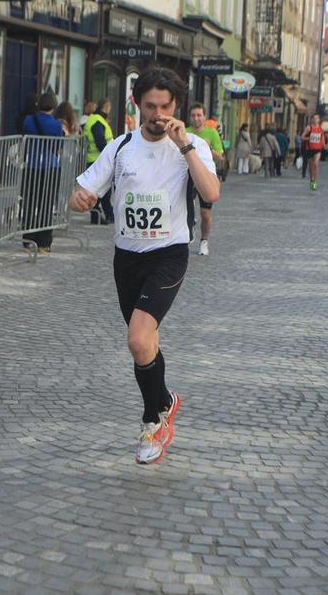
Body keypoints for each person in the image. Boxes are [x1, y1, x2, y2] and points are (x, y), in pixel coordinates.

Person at [69, 68, 219, 465]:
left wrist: (185, 146)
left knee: (137, 338)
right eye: (150, 106)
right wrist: (80, 200)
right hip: (127, 258)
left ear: (176, 106)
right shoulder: (120, 147)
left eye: (164, 107)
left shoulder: (194, 146)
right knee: (145, 343)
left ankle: (152, 422)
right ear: (137, 104)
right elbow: (82, 193)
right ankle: (165, 400)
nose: (157, 114)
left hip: (169, 254)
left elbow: (211, 192)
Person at [21, 92, 65, 253]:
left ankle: (28, 239)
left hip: (32, 166)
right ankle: (44, 242)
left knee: (30, 202)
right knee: (47, 203)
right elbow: (58, 146)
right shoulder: (56, 125)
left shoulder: (29, 120)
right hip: (50, 167)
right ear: (53, 106)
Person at [185, 103, 224, 256]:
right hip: (188, 176)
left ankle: (204, 241)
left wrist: (208, 148)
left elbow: (220, 156)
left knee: (205, 213)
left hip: (206, 176)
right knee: (184, 207)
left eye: (199, 115)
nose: (196, 118)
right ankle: (189, 227)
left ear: (204, 117)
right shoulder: (185, 132)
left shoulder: (212, 133)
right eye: (193, 115)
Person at [85, 98, 115, 224]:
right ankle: (98, 215)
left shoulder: (97, 119)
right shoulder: (97, 121)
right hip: (98, 160)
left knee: (103, 189)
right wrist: (109, 155)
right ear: (107, 107)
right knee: (100, 190)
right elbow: (100, 142)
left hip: (98, 159)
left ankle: (107, 214)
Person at [300, 114, 325, 190]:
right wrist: (309, 138)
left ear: (319, 120)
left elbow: (322, 138)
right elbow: (302, 137)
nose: (315, 120)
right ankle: (312, 179)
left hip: (318, 149)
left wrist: (324, 145)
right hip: (310, 149)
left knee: (316, 164)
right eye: (314, 118)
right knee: (311, 167)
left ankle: (315, 182)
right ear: (312, 120)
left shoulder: (321, 129)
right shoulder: (309, 128)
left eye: (316, 118)